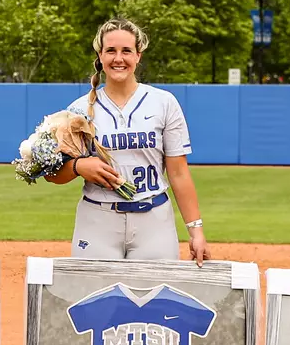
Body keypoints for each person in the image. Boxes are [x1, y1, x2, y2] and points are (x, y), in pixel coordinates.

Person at [45, 18, 208, 263]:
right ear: (100, 56)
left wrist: (196, 230)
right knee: (96, 298)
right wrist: (79, 167)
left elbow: (179, 173)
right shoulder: (79, 109)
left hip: (154, 220)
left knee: (155, 298)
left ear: (138, 56)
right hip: (98, 219)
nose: (118, 58)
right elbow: (52, 174)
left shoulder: (163, 102)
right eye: (110, 51)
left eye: (126, 51)